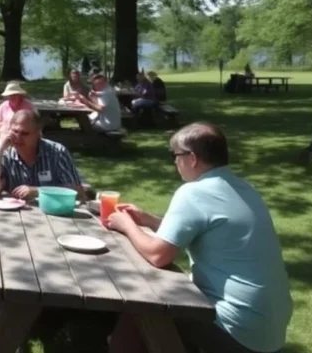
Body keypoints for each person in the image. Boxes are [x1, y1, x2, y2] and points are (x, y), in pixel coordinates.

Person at [107, 123, 292, 353]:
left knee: (144, 303)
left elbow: (158, 255)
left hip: (235, 330)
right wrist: (150, 220)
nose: (175, 162)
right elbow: (206, 227)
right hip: (268, 331)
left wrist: (126, 225)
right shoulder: (245, 188)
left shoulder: (194, 192)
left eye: (175, 155)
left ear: (192, 158)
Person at [0, 110, 84, 200]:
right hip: (15, 217)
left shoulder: (57, 152)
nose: (18, 137)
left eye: (24, 133)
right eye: (15, 131)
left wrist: (39, 191)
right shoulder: (3, 155)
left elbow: (78, 193)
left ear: (38, 133)